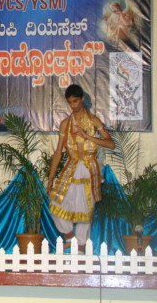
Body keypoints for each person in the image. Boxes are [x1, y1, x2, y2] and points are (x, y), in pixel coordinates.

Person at [47, 84, 115, 250]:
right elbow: (58, 152)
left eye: (75, 101)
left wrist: (88, 136)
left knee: (85, 207)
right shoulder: (65, 123)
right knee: (55, 203)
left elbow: (111, 144)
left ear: (82, 99)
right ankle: (69, 236)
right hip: (71, 166)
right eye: (70, 102)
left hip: (88, 167)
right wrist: (50, 178)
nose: (73, 105)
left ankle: (82, 245)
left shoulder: (93, 121)